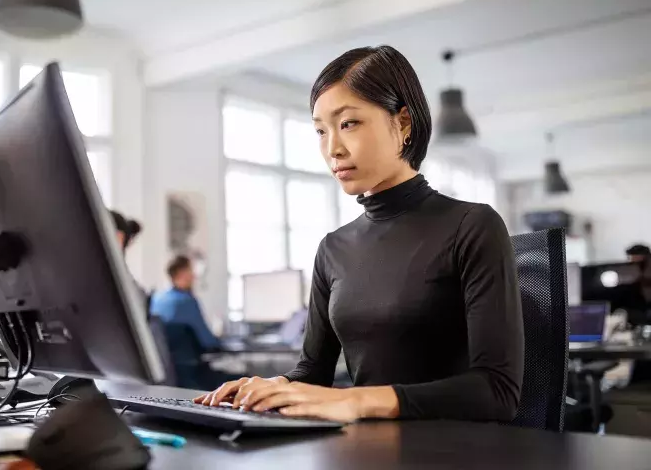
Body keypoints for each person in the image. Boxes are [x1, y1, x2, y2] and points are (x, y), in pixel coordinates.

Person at [195, 45, 524, 423]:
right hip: (366, 449)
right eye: (320, 131)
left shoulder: (472, 225)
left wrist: (356, 400)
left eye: (348, 123)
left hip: (453, 452)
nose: (333, 148)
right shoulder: (333, 248)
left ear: (402, 124)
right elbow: (312, 373)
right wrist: (272, 386)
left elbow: (497, 392)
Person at [151, 255, 220, 351]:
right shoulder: (187, 302)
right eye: (191, 270)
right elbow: (208, 342)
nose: (194, 276)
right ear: (182, 274)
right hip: (188, 363)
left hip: (161, 361)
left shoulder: (156, 299)